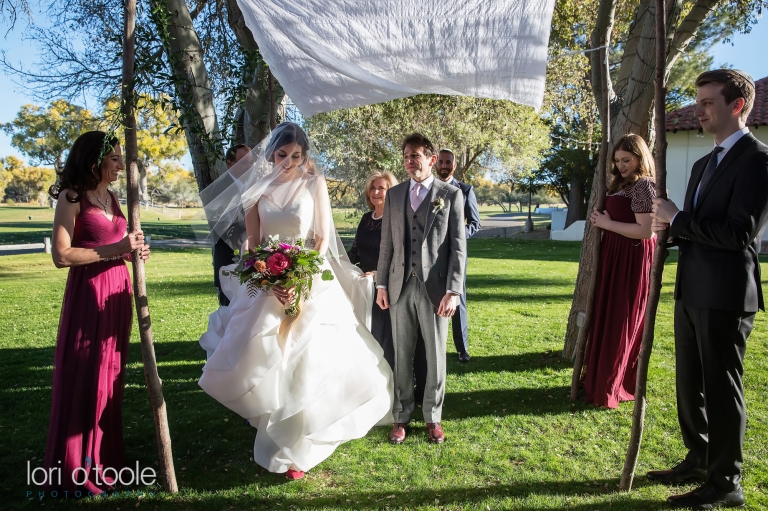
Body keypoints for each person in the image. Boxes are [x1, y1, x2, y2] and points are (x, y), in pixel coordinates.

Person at [198, 123, 393, 481]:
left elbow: (320, 237)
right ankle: (268, 423)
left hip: (308, 279)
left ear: (305, 156)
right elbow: (253, 244)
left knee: (307, 360)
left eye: (296, 156)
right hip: (268, 284)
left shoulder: (313, 184)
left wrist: (301, 279)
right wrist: (270, 279)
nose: (288, 162)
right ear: (271, 154)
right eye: (282, 155)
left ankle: (299, 448)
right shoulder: (256, 192)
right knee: (270, 357)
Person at [648, 69, 768, 509]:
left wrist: (679, 219)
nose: (698, 110)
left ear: (737, 106)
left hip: (726, 295)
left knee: (721, 388)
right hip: (691, 290)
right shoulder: (703, 163)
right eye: (697, 101)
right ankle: (698, 457)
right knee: (689, 384)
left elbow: (739, 233)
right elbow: (699, 229)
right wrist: (670, 230)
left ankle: (726, 483)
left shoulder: (758, 160)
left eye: (707, 102)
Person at [44, 131, 150, 493]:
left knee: (111, 373)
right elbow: (61, 256)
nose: (122, 164)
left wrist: (132, 250)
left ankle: (105, 459)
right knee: (85, 370)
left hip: (118, 293)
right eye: (116, 158)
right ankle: (75, 464)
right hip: (89, 293)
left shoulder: (113, 197)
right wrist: (116, 248)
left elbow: (118, 244)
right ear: (95, 161)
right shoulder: (72, 197)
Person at [376, 133, 466, 445]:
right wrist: (382, 285)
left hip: (436, 290)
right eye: (406, 156)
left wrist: (454, 291)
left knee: (436, 355)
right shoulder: (395, 194)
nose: (410, 161)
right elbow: (386, 245)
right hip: (400, 286)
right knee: (401, 354)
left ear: (430, 159)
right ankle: (402, 416)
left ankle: (433, 417)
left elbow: (458, 249)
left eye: (416, 156)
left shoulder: (451, 194)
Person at [583, 134, 656, 409]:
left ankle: (611, 385)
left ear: (641, 157)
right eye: (617, 160)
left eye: (627, 159)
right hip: (615, 257)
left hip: (630, 260)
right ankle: (599, 378)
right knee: (607, 315)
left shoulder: (644, 186)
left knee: (619, 318)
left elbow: (646, 231)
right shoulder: (622, 184)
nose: (621, 165)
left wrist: (606, 223)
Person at [348, 171, 399, 369]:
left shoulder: (396, 219)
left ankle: (390, 379)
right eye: (372, 188)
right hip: (363, 286)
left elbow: (399, 257)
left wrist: (378, 275)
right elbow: (356, 251)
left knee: (382, 337)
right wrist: (338, 263)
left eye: (381, 188)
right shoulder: (365, 218)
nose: (375, 192)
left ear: (391, 191)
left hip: (385, 287)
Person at [207, 144, 252, 307]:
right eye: (244, 162)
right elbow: (221, 225)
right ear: (230, 163)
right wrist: (247, 240)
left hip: (253, 258)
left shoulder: (253, 186)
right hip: (230, 258)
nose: (249, 166)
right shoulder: (219, 189)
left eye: (250, 162)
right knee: (229, 311)